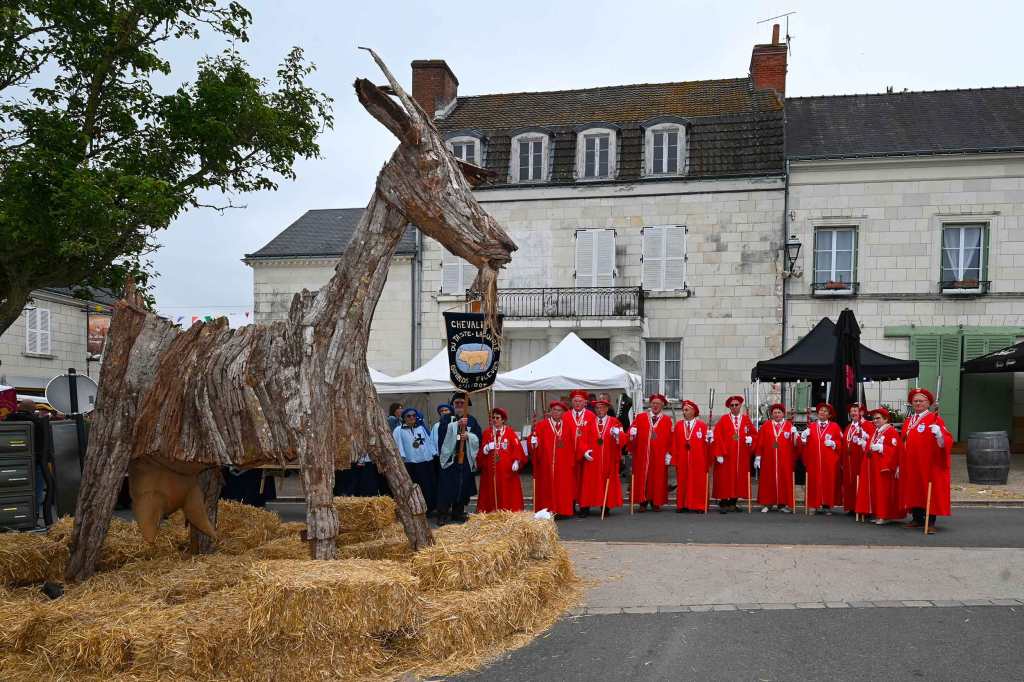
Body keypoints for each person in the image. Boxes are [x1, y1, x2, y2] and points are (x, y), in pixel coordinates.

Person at [898, 388, 952, 533]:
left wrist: (939, 435)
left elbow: (946, 441)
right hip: (911, 464)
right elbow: (903, 442)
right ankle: (917, 518)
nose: (918, 403)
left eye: (921, 401)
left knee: (928, 490)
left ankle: (930, 521)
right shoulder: (909, 421)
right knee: (914, 489)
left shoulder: (934, 419)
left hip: (928, 463)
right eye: (915, 401)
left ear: (928, 403)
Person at [436, 393, 481, 525]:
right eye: (457, 403)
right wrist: (456, 425)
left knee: (462, 486)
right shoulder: (446, 419)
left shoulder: (472, 420)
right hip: (450, 459)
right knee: (446, 487)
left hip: (465, 459)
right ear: (453, 405)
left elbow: (478, 437)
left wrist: (468, 436)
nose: (460, 405)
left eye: (462, 403)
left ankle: (458, 512)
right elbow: (443, 435)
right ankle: (443, 514)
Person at [529, 400, 578, 518]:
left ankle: (562, 510)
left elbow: (572, 445)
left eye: (559, 410)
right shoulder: (542, 425)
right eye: (554, 410)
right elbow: (533, 441)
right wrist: (533, 442)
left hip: (563, 463)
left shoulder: (568, 426)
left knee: (562, 488)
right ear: (550, 411)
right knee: (547, 487)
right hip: (547, 463)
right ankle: (547, 510)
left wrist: (571, 462)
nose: (556, 412)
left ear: (563, 413)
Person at [577, 398, 625, 516]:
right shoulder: (588, 422)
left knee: (606, 482)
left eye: (602, 408)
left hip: (608, 458)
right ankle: (585, 507)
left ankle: (605, 506)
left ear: (607, 409)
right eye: (597, 408)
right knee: (589, 483)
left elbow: (623, 438)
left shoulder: (615, 422)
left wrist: (618, 435)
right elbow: (582, 439)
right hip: (592, 458)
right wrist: (584, 451)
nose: (599, 410)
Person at [627, 393, 672, 512]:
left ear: (662, 405)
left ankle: (655, 501)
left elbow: (669, 438)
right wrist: (632, 433)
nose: (655, 406)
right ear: (650, 404)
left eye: (658, 404)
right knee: (643, 477)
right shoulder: (641, 417)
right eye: (653, 403)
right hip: (643, 454)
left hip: (658, 455)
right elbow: (630, 435)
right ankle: (642, 502)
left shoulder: (667, 420)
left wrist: (669, 453)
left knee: (657, 478)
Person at [476, 407, 527, 512]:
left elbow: (517, 448)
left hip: (507, 472)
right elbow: (480, 454)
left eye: (497, 418)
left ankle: (506, 511)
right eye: (493, 417)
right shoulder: (487, 433)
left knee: (506, 492)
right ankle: (492, 511)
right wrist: (486, 448)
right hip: (490, 472)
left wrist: (516, 461)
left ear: (503, 420)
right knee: (491, 491)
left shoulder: (510, 432)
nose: (495, 420)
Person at [858, 407, 903, 524]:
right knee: (878, 492)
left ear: (885, 419)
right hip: (875, 467)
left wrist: (882, 448)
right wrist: (865, 445)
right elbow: (871, 448)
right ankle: (879, 514)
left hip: (885, 468)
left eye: (878, 418)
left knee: (883, 492)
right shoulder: (876, 432)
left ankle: (884, 516)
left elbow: (896, 450)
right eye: (874, 419)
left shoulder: (891, 431)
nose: (875, 420)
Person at [711, 395, 755, 513]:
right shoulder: (724, 419)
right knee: (725, 479)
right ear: (729, 407)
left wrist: (751, 438)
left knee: (738, 479)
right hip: (727, 455)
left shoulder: (746, 419)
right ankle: (723, 503)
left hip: (741, 456)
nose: (734, 407)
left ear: (740, 406)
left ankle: (733, 503)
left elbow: (754, 434)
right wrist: (719, 453)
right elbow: (717, 435)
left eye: (736, 405)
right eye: (732, 405)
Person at [799, 402, 843, 515]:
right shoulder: (812, 426)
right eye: (821, 410)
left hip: (828, 461)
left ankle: (826, 505)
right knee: (814, 482)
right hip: (814, 460)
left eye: (825, 411)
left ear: (829, 415)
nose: (822, 412)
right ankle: (813, 504)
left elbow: (840, 442)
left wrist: (833, 443)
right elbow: (804, 444)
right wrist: (803, 438)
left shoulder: (834, 426)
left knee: (828, 482)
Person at [392, 407, 438, 515]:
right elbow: (398, 444)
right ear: (404, 418)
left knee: (428, 486)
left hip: (425, 461)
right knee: (416, 488)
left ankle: (430, 508)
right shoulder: (399, 430)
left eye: (414, 415)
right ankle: (417, 508)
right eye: (408, 416)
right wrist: (401, 457)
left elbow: (428, 441)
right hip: (411, 463)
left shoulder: (420, 428)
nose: (412, 417)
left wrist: (433, 453)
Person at [669, 400, 711, 513]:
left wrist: (710, 440)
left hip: (698, 460)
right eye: (683, 410)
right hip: (682, 459)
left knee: (697, 483)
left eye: (686, 410)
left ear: (693, 411)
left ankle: (699, 505)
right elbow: (674, 443)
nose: (684, 412)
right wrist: (673, 457)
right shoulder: (678, 425)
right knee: (682, 482)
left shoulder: (702, 426)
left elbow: (707, 445)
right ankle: (683, 505)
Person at [754, 403, 796, 512]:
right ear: (772, 414)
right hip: (769, 458)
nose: (777, 414)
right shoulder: (766, 425)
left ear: (783, 414)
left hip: (784, 459)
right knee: (768, 480)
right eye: (775, 413)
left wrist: (796, 436)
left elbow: (795, 445)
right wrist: (758, 456)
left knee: (783, 481)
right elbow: (760, 442)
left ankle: (782, 504)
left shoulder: (789, 426)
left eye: (779, 412)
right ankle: (767, 504)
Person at [842, 403, 875, 516]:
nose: (853, 413)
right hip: (849, 460)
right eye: (851, 411)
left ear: (861, 412)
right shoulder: (849, 427)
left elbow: (873, 439)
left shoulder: (868, 425)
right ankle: (852, 507)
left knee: (861, 483)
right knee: (850, 483)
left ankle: (863, 508)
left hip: (861, 459)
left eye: (855, 410)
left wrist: (865, 440)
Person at [567, 389, 596, 516]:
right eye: (575, 401)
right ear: (571, 402)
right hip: (570, 455)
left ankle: (585, 507)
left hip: (586, 455)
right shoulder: (566, 416)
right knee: (571, 482)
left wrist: (587, 450)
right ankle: (571, 506)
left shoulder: (591, 416)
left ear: (585, 402)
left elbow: (594, 436)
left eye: (580, 401)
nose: (577, 403)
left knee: (585, 482)